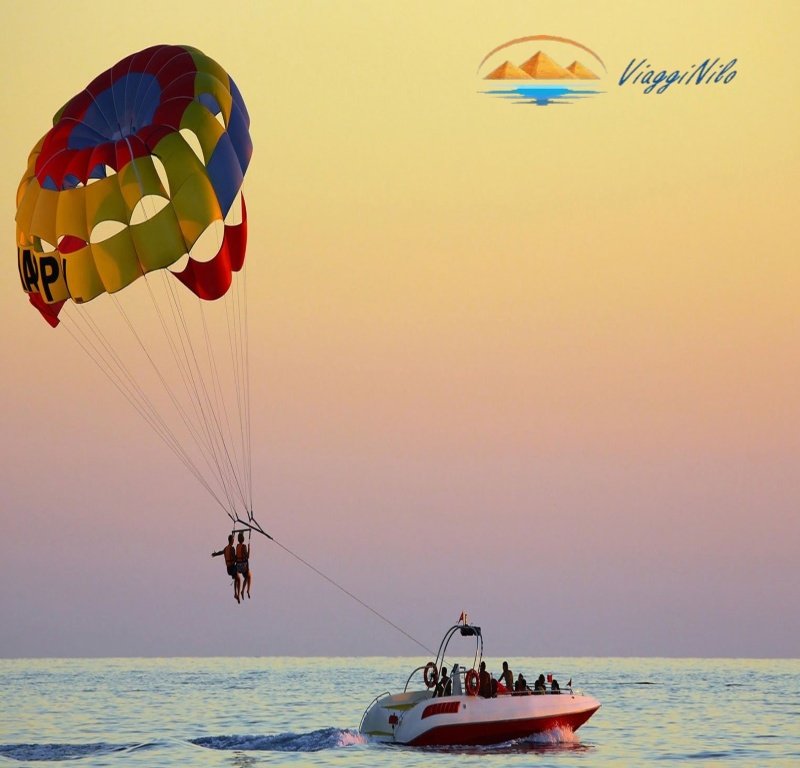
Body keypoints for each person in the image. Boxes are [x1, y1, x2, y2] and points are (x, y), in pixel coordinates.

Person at [212, 534, 241, 603]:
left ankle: (235, 594)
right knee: (239, 579)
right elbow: (235, 558)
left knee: (236, 577)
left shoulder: (226, 548)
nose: (234, 541)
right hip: (232, 567)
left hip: (228, 569)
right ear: (231, 540)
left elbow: (221, 552)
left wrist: (215, 554)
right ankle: (238, 595)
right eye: (233, 540)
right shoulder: (232, 548)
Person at [236, 532, 252, 599]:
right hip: (243, 566)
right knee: (248, 576)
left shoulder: (237, 546)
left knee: (247, 575)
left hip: (238, 566)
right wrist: (249, 548)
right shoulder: (244, 546)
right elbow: (247, 556)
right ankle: (246, 590)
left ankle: (244, 591)